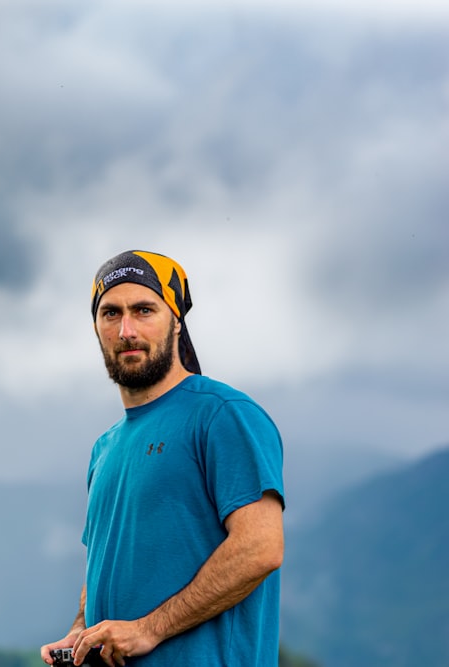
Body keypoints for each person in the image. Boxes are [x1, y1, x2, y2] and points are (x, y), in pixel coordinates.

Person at [41, 250, 285, 666]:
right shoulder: (106, 448)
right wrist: (82, 629)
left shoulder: (223, 415)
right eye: (110, 314)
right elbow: (105, 559)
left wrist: (148, 629)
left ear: (176, 321)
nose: (126, 330)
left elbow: (260, 547)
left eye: (144, 310)